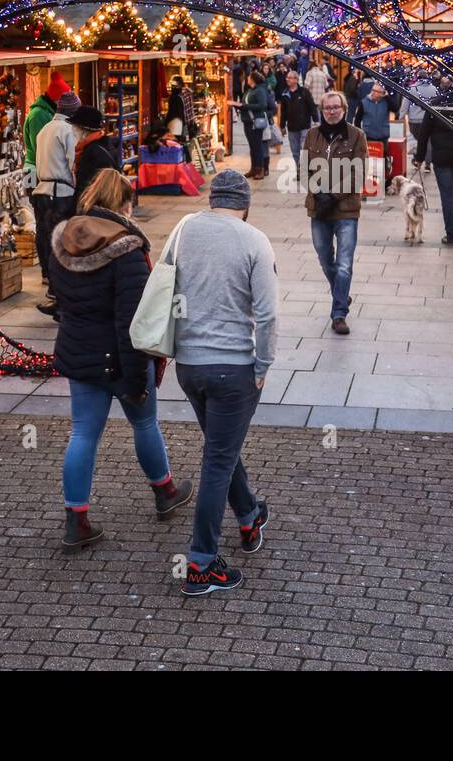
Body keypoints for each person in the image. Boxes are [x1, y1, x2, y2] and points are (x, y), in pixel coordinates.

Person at [50, 169, 193, 552]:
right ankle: (165, 491)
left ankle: (76, 521)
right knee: (144, 422)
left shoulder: (64, 238)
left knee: (83, 434)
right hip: (118, 355)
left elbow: (59, 301)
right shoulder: (127, 249)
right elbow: (134, 321)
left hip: (79, 353)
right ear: (123, 203)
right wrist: (136, 378)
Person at [172, 170, 278, 595]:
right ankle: (201, 563)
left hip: (189, 366)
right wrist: (263, 364)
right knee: (217, 461)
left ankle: (250, 514)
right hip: (233, 367)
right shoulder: (254, 240)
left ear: (212, 198)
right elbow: (268, 315)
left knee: (221, 448)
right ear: (245, 203)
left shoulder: (183, 230)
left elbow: (164, 284)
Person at [303, 91, 366, 335]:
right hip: (318, 208)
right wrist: (319, 194)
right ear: (322, 110)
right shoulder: (311, 135)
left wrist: (334, 196)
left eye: (335, 107)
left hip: (346, 210)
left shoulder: (356, 136)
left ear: (344, 109)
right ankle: (342, 293)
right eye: (327, 108)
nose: (331, 111)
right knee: (324, 258)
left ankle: (339, 314)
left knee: (344, 265)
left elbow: (358, 173)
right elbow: (304, 169)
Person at [34, 90, 81, 316]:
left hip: (41, 190)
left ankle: (52, 286)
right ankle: (59, 291)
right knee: (60, 245)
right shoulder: (67, 130)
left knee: (45, 241)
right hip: (60, 192)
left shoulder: (45, 129)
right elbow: (73, 163)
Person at [23, 73, 70, 293]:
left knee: (46, 220)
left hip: (40, 171)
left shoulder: (48, 113)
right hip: (33, 171)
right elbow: (40, 149)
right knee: (43, 220)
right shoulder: (39, 115)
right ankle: (46, 270)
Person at [413, 87, 453, 245]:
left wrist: (419, 157)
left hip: (441, 158)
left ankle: (452, 232)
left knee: (447, 195)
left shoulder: (434, 106)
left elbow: (424, 134)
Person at [70, 105, 117, 206]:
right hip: (107, 205)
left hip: (96, 208)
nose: (73, 131)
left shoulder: (91, 152)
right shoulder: (105, 144)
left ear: (83, 130)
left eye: (75, 127)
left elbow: (85, 187)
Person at [278, 69, 317, 170]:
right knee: (295, 151)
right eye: (287, 78)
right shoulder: (285, 94)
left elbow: (312, 106)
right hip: (292, 127)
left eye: (290, 78)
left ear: (296, 80)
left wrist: (316, 120)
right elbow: (283, 111)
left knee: (304, 149)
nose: (288, 80)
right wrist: (282, 126)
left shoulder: (304, 92)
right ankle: (299, 169)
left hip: (304, 126)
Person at [238, 71, 270, 180]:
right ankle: (253, 168)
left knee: (257, 146)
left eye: (249, 77)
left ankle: (260, 169)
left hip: (255, 121)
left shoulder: (260, 90)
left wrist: (244, 106)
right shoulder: (250, 90)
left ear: (253, 79)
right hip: (247, 121)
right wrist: (239, 106)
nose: (247, 79)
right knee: (252, 146)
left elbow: (262, 105)